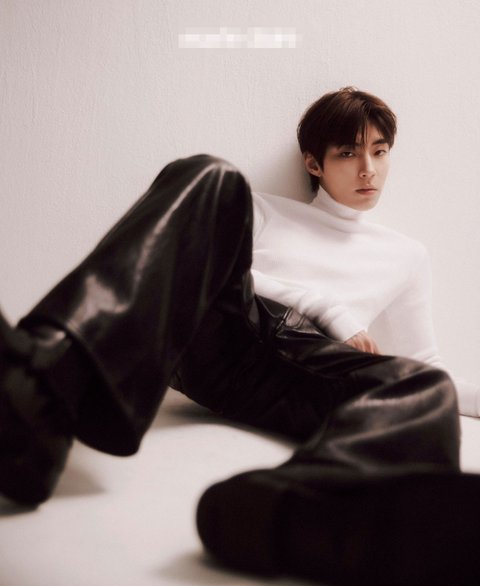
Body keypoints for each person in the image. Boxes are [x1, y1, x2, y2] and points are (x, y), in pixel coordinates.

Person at [0, 87, 479, 585]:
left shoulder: (406, 256)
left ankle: (296, 507)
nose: (368, 170)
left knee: (424, 386)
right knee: (210, 175)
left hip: (303, 367)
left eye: (379, 152)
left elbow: (427, 360)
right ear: (313, 163)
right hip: (226, 334)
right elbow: (206, 267)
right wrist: (326, 305)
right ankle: (39, 387)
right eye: (347, 153)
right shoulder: (261, 209)